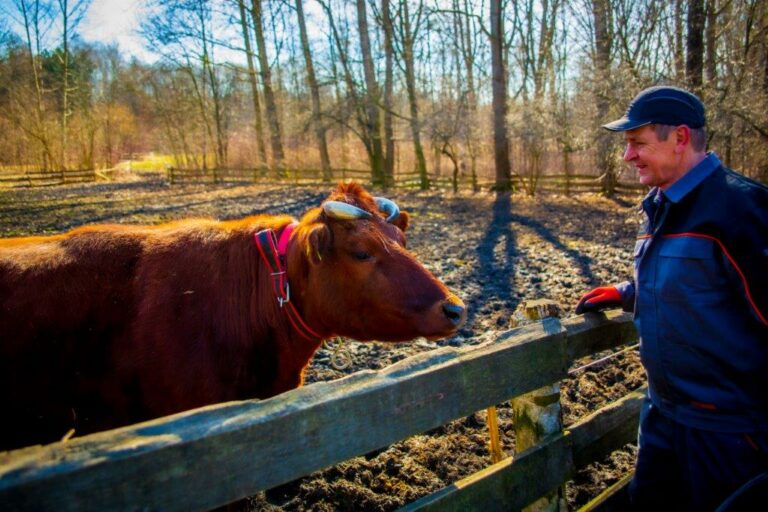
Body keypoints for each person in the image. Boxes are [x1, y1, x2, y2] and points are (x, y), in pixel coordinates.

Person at [575, 85, 768, 510]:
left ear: (680, 138)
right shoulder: (659, 205)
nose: (628, 157)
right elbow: (695, 282)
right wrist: (629, 293)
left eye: (637, 143)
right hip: (663, 415)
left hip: (728, 431)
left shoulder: (741, 210)